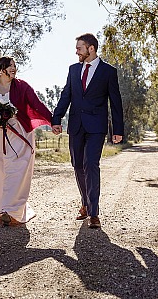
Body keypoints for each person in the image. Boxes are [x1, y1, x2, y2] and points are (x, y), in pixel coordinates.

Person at [52, 33, 124, 228]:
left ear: (91, 48)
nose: (76, 51)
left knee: (91, 164)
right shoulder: (73, 70)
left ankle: (94, 212)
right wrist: (56, 118)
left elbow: (115, 102)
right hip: (76, 125)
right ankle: (85, 202)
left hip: (96, 127)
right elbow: (66, 95)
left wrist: (117, 129)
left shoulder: (108, 72)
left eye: (79, 48)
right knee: (78, 166)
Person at [0, 56, 52, 226]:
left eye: (15, 66)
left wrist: (53, 121)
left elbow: (37, 104)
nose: (14, 69)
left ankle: (12, 210)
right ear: (1, 69)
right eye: (11, 66)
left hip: (18, 133)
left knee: (17, 169)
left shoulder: (22, 86)